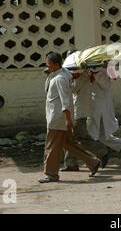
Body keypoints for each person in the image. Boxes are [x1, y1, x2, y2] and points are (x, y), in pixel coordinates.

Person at [39, 52, 101, 183]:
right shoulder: (59, 75)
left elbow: (65, 100)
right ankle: (93, 162)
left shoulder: (60, 78)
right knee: (68, 144)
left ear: (56, 65)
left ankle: (51, 174)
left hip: (57, 119)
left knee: (52, 147)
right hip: (59, 118)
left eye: (49, 65)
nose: (47, 67)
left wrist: (68, 120)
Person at [60, 51, 111, 172]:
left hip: (80, 111)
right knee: (71, 138)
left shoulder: (81, 75)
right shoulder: (79, 74)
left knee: (79, 137)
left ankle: (102, 151)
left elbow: (72, 90)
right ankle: (70, 163)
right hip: (77, 110)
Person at [87, 66, 121, 156]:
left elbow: (106, 85)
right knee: (99, 134)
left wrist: (96, 74)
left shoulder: (102, 71)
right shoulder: (96, 71)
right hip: (95, 106)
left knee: (91, 132)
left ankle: (101, 154)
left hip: (100, 106)